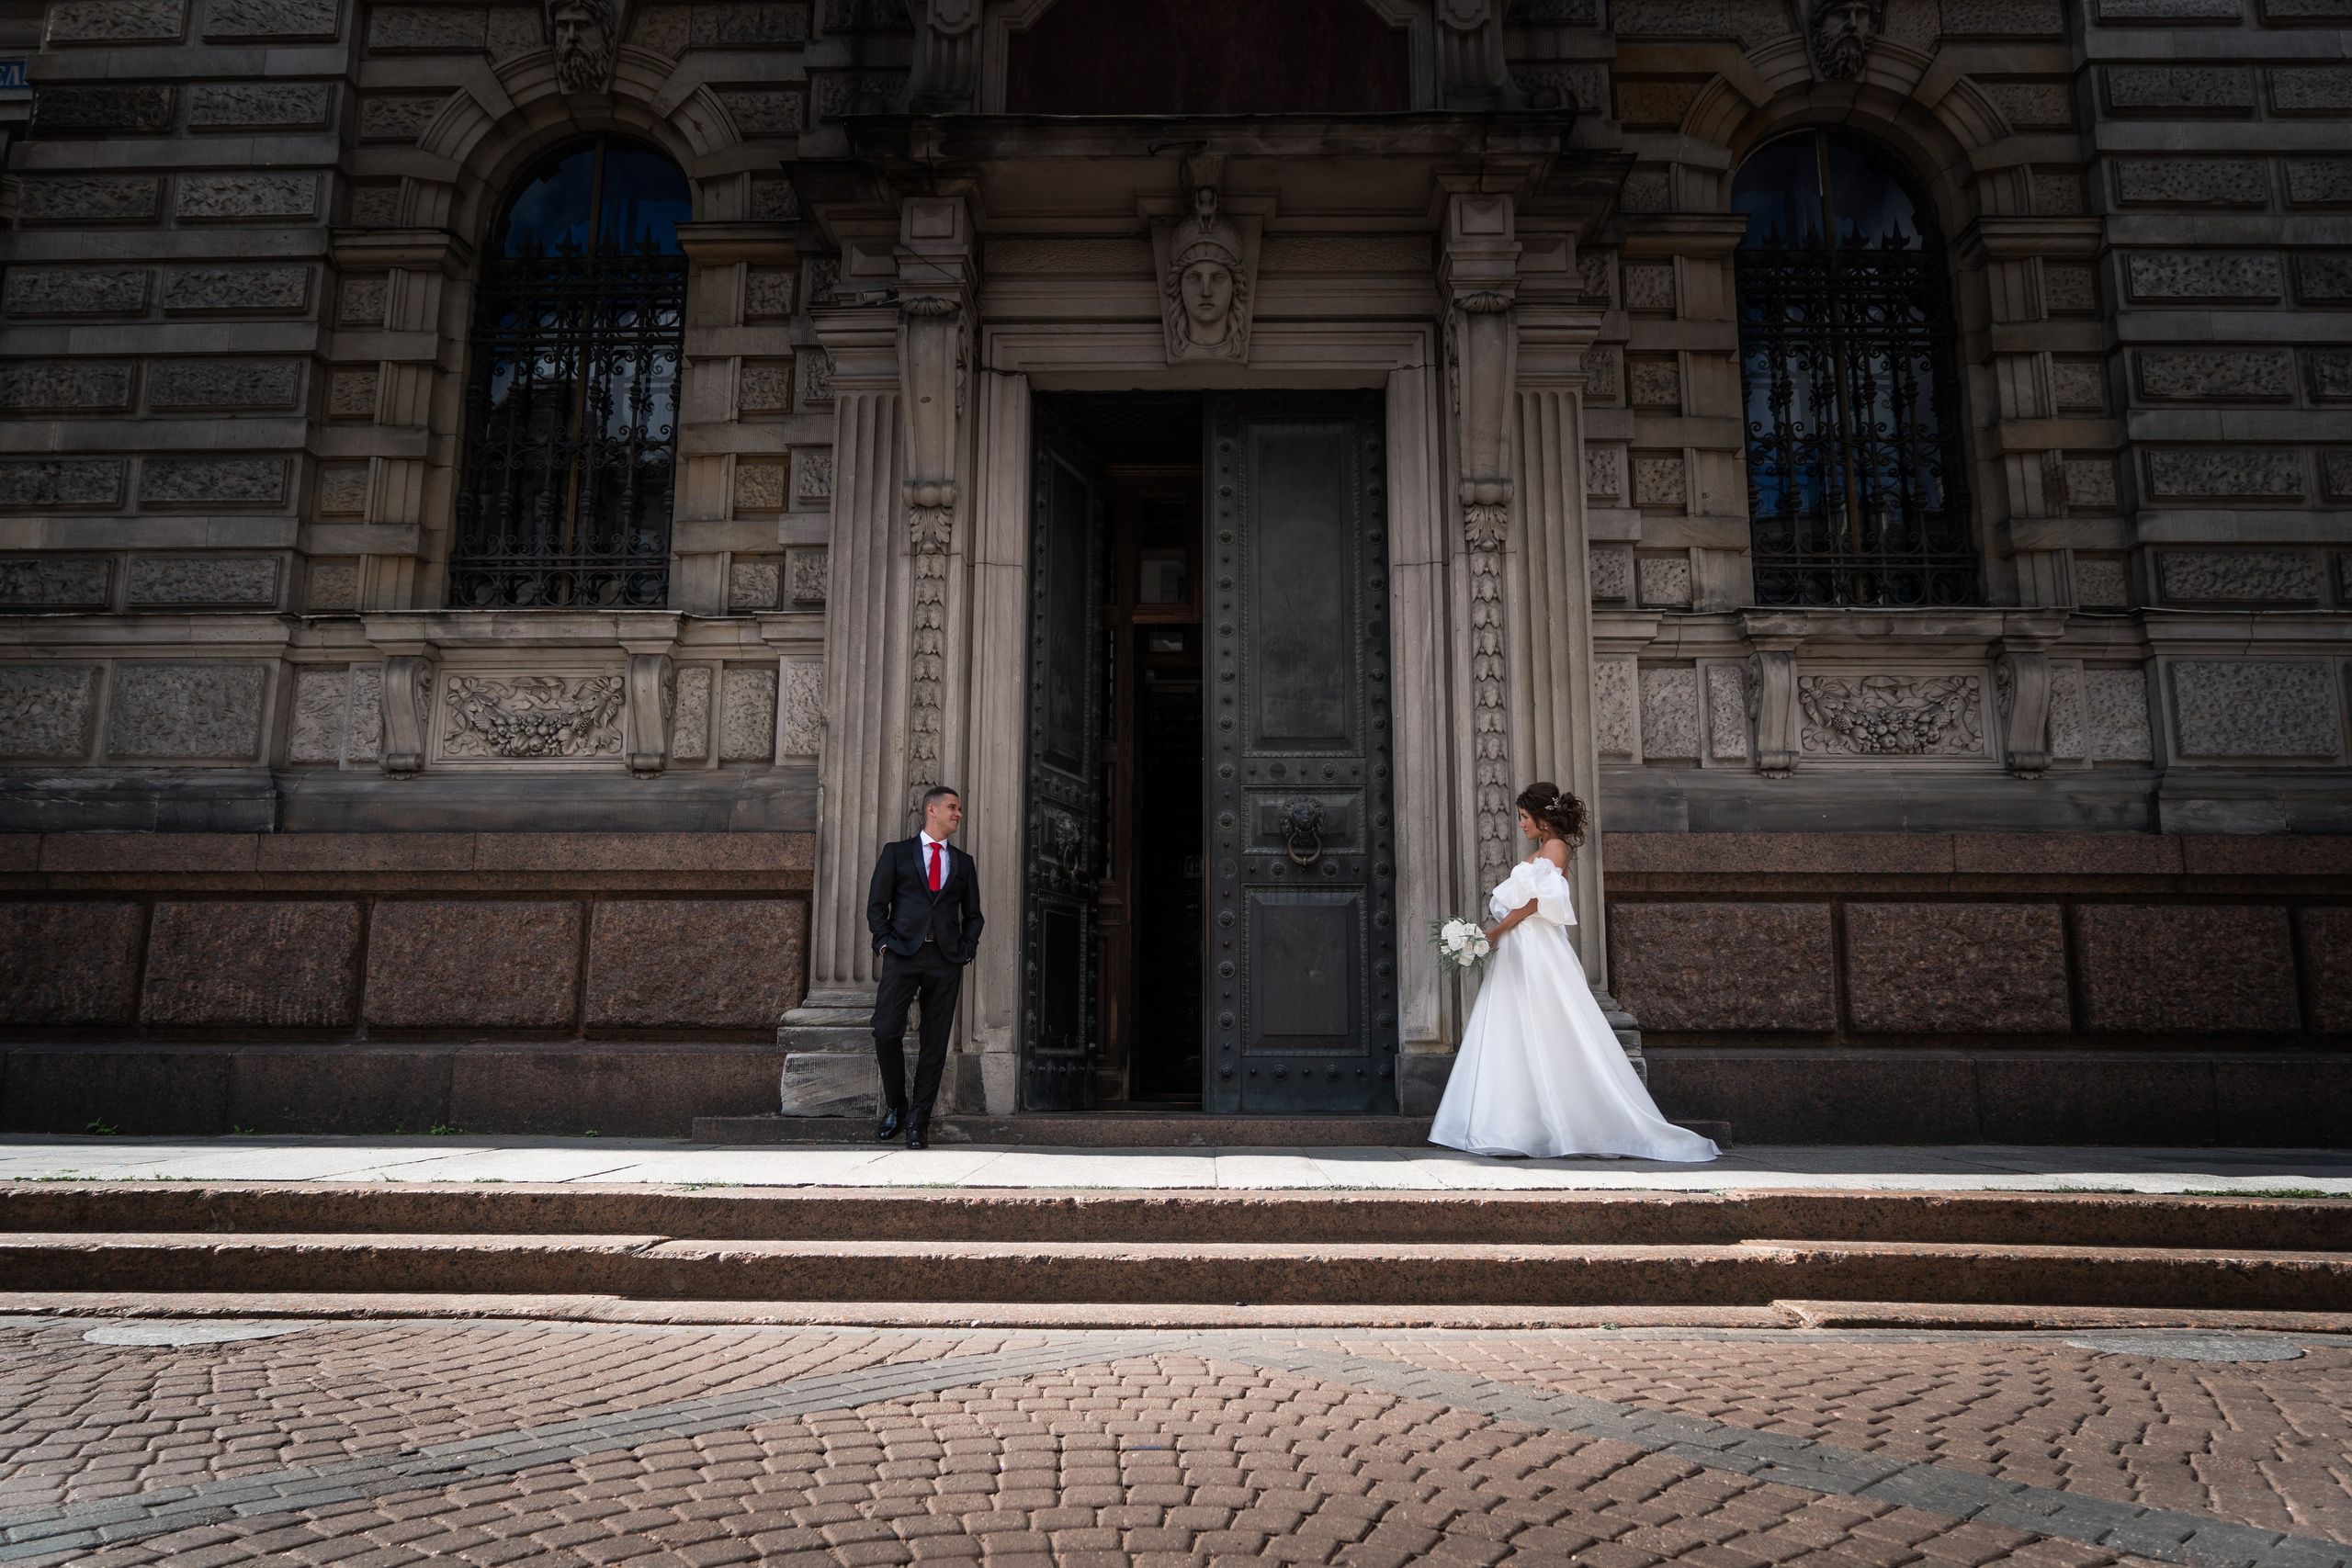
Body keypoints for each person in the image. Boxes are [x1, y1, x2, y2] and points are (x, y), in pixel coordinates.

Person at [1429, 783, 1719, 1162]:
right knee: (1517, 1027)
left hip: (1535, 948)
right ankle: (1517, 1124)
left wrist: (1493, 933)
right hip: (1525, 946)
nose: (1520, 824)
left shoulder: (1555, 847)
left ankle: (1545, 1124)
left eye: (1524, 817)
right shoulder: (1544, 850)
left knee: (1546, 1024)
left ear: (1543, 819)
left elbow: (1535, 902)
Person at [866, 784, 984, 1149]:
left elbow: (974, 914)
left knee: (935, 1043)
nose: (958, 814)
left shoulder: (963, 862)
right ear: (931, 810)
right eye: (953, 807)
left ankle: (919, 1120)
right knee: (885, 1030)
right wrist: (883, 943)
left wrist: (966, 949)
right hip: (902, 954)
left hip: (946, 959)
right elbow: (876, 904)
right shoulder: (897, 853)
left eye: (959, 809)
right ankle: (897, 1106)